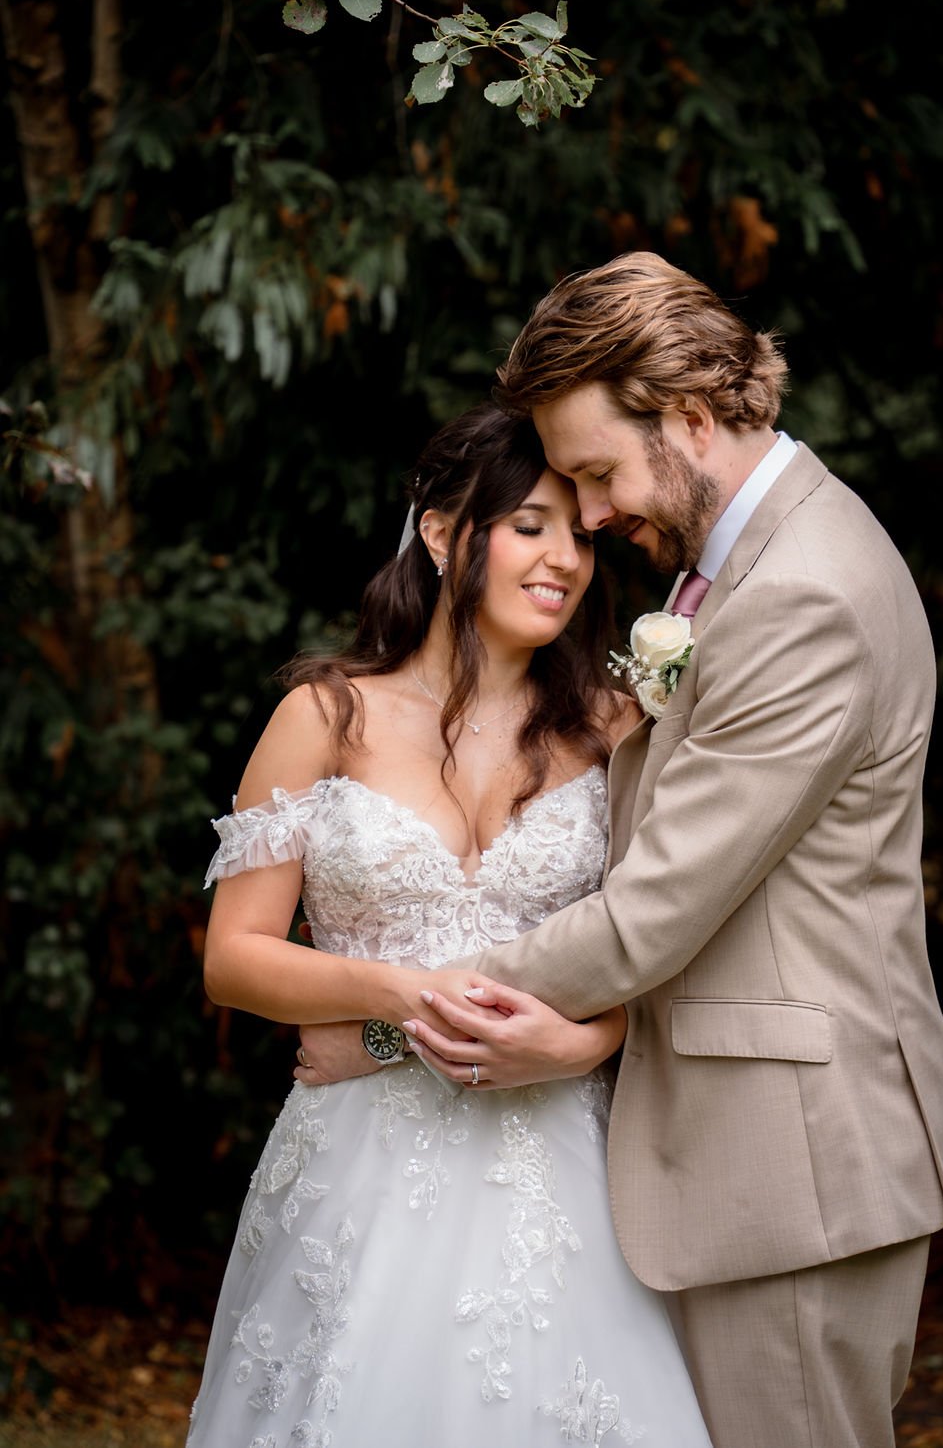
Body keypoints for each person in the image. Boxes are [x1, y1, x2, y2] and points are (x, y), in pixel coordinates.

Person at [299, 254, 943, 1448]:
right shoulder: (744, 570)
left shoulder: (801, 594)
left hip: (790, 1172)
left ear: (693, 416)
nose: (593, 516)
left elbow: (648, 914)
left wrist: (397, 1030)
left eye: (598, 473)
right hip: (737, 1160)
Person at [187, 401, 713, 1447]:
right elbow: (233, 957)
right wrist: (394, 996)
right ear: (440, 531)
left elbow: (665, 951)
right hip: (356, 1171)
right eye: (528, 524)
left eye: (578, 533)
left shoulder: (617, 729)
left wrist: (584, 1039)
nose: (563, 558)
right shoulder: (324, 714)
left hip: (566, 1167)